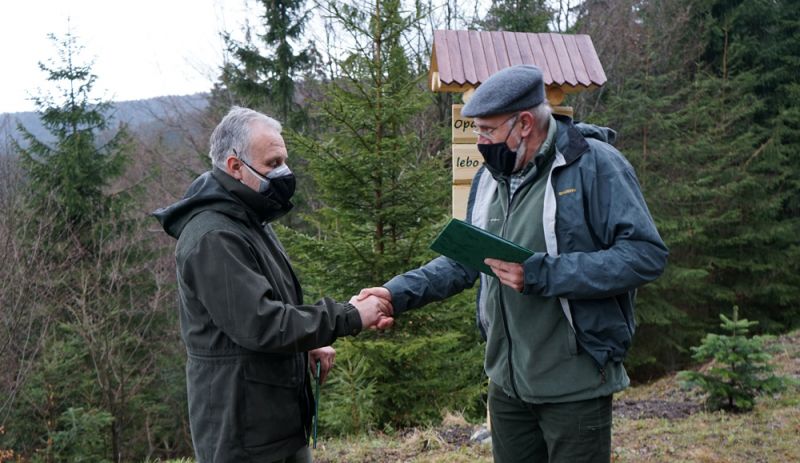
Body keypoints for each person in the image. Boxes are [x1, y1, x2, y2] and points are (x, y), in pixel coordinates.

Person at [358, 65, 668, 463]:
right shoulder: (490, 178)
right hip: (506, 386)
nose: (480, 142)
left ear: (524, 123)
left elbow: (645, 256)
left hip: (574, 386)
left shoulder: (596, 165)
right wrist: (395, 293)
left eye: (487, 130)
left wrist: (543, 273)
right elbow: (464, 261)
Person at [153, 106, 393, 463]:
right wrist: (349, 316)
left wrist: (307, 346)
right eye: (272, 163)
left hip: (276, 418)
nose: (284, 172)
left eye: (284, 161)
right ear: (235, 167)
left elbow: (272, 303)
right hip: (244, 432)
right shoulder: (214, 236)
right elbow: (260, 324)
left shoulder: (248, 218)